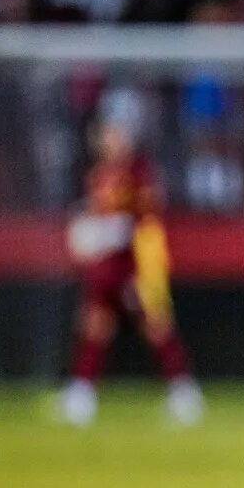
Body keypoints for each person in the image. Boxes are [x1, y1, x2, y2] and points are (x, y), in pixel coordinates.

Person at [60, 118, 204, 427]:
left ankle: (183, 391)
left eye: (115, 136)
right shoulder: (99, 174)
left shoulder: (138, 172)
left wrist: (114, 234)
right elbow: (95, 214)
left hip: (134, 264)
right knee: (95, 325)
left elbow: (148, 216)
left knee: (155, 325)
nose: (110, 142)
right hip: (105, 267)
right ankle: (81, 394)